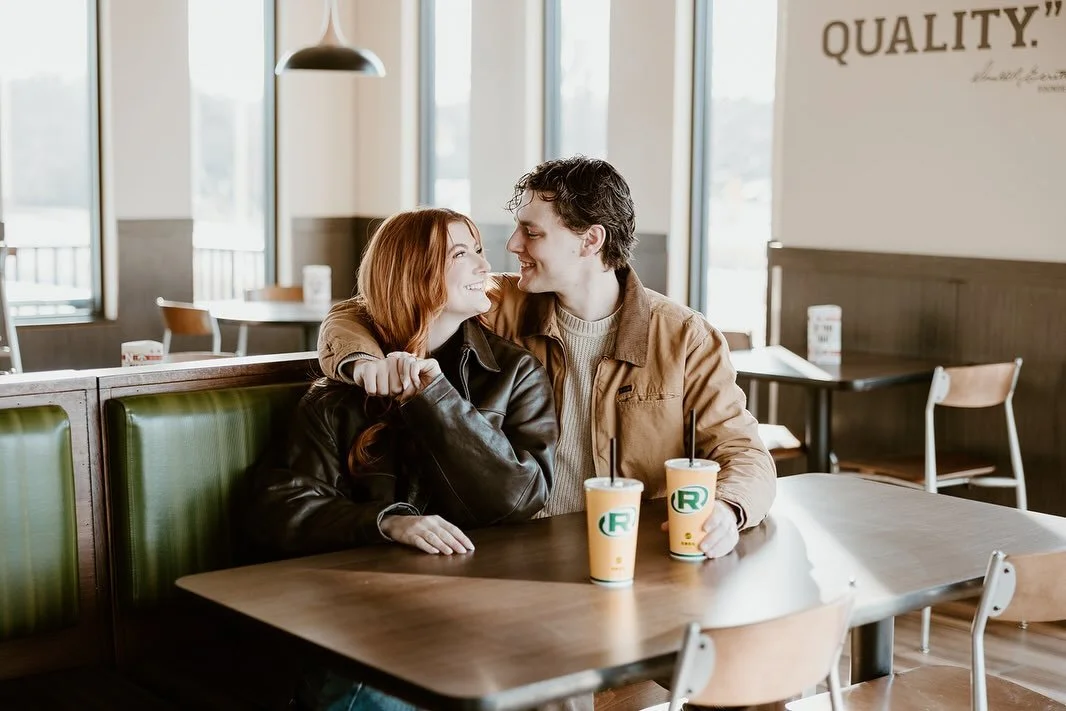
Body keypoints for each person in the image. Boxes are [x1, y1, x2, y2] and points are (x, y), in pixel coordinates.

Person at [317, 157, 775, 560]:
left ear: (590, 240)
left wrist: (728, 509)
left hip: (631, 551)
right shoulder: (499, 302)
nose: (513, 245)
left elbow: (743, 451)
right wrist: (361, 362)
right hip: (514, 545)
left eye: (532, 233)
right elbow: (364, 309)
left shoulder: (683, 337)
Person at [248, 207, 557, 710]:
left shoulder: (513, 374)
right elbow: (280, 509)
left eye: (478, 249)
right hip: (363, 610)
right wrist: (389, 523)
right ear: (414, 274)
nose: (486, 265)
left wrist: (431, 396)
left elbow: (518, 498)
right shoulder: (339, 392)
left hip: (483, 604)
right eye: (463, 253)